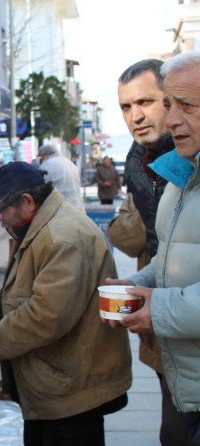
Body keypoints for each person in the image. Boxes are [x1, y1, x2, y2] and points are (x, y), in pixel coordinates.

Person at [0, 161, 131, 445]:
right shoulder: (41, 227)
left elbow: (46, 315)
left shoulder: (62, 238)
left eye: (2, 210)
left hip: (72, 392)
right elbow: (24, 289)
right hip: (55, 386)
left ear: (27, 202)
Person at [106, 50, 200, 445]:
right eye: (127, 107)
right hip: (179, 352)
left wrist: (157, 306)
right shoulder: (174, 167)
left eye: (185, 105)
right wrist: (140, 280)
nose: (137, 116)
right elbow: (175, 250)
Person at [38, 144, 85, 211]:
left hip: (60, 209)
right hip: (77, 206)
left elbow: (40, 187)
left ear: (45, 154)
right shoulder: (69, 162)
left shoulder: (47, 165)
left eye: (41, 156)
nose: (40, 158)